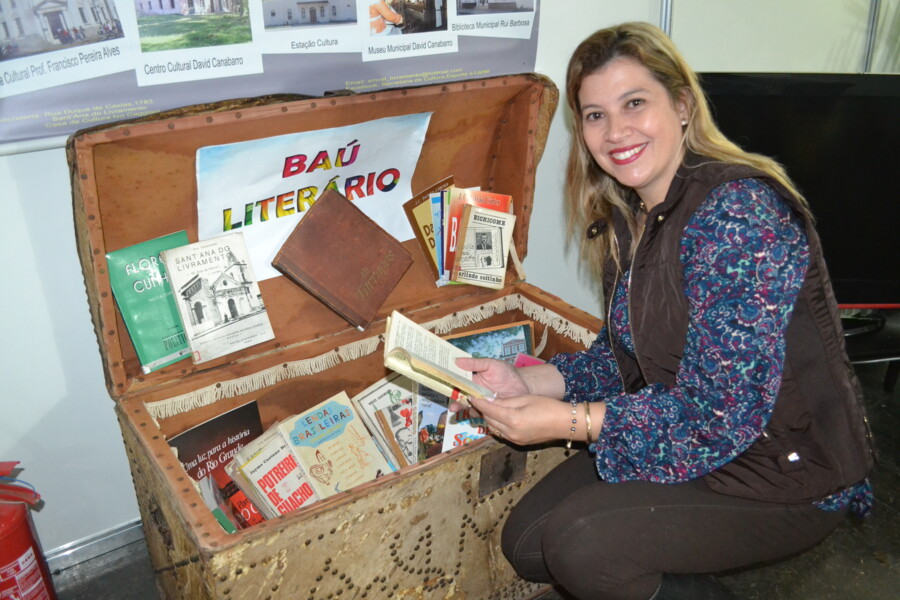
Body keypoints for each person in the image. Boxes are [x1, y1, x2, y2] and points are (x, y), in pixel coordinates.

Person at [454, 22, 875, 600]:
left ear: (681, 105)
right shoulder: (631, 216)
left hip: (783, 466)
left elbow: (720, 413)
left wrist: (566, 421)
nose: (615, 131)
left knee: (582, 545)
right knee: (529, 544)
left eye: (634, 103)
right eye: (596, 114)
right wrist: (531, 381)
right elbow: (625, 357)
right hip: (683, 432)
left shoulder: (738, 214)